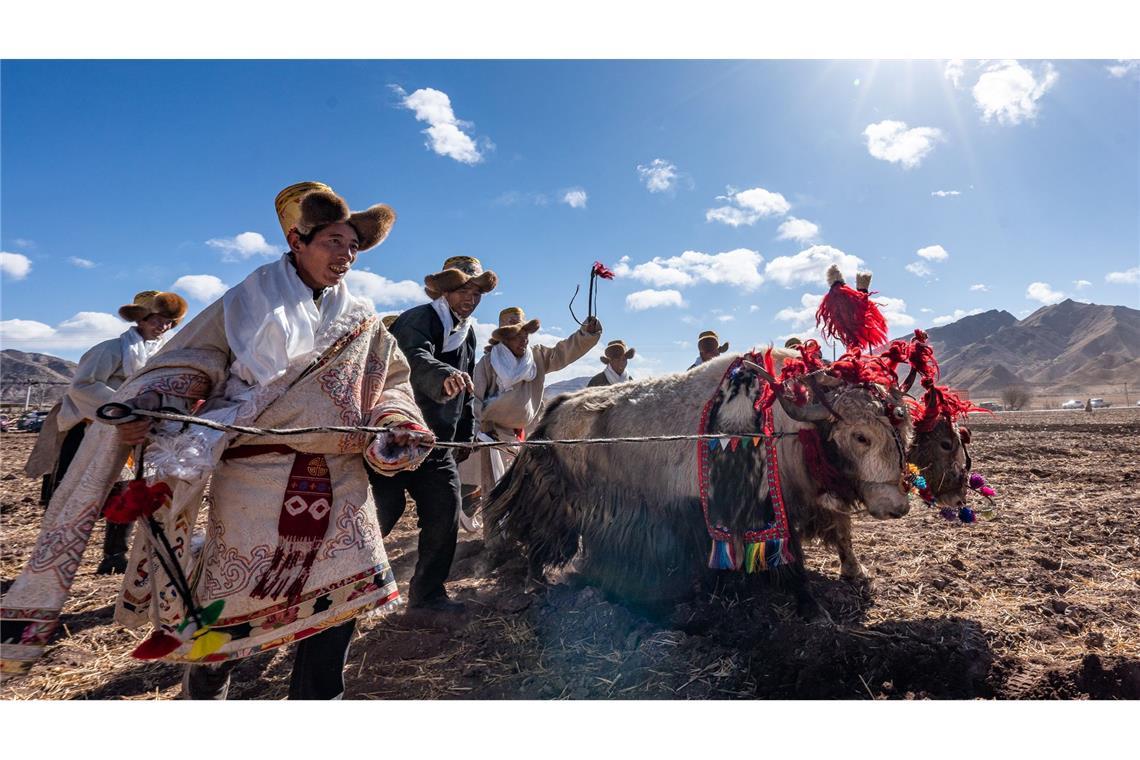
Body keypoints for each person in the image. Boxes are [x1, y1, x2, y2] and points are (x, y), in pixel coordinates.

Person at [1, 182, 434, 699]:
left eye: (353, 247)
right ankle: (206, 694)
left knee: (341, 608)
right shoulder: (245, 304)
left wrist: (395, 418)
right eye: (333, 242)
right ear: (297, 240)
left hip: (342, 479)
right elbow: (189, 363)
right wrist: (150, 406)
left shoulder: (363, 320)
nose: (345, 255)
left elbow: (392, 380)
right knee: (233, 611)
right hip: (257, 477)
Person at [23, 289, 187, 574]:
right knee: (75, 494)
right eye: (157, 319)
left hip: (131, 433)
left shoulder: (164, 354)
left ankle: (114, 556)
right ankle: (52, 559)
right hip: (90, 429)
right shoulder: (110, 349)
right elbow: (83, 386)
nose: (162, 326)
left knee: (126, 492)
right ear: (142, 319)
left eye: (167, 321)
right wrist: (127, 407)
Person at [368, 255, 497, 614]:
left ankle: (427, 596)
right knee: (383, 512)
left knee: (445, 510)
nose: (470, 298)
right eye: (462, 290)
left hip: (436, 443)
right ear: (444, 291)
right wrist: (442, 376)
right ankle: (345, 585)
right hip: (394, 439)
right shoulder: (417, 319)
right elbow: (412, 358)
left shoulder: (466, 332)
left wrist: (465, 433)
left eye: (476, 292)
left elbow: (468, 384)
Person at [473, 307, 601, 504]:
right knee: (493, 490)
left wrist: (586, 334)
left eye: (526, 333)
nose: (523, 339)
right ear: (504, 337)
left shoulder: (537, 357)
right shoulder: (488, 363)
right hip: (491, 436)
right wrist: (482, 426)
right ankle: (492, 532)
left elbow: (563, 352)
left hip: (526, 434)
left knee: (525, 490)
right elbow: (475, 399)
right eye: (517, 334)